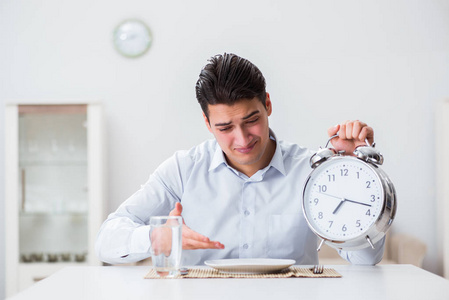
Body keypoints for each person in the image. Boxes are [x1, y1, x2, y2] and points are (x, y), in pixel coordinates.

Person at [95, 53, 385, 266]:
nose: (243, 138)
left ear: (267, 105)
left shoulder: (313, 171)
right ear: (208, 125)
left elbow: (366, 259)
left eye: (252, 120)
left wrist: (354, 172)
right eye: (225, 128)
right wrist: (156, 238)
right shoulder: (183, 170)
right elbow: (106, 239)